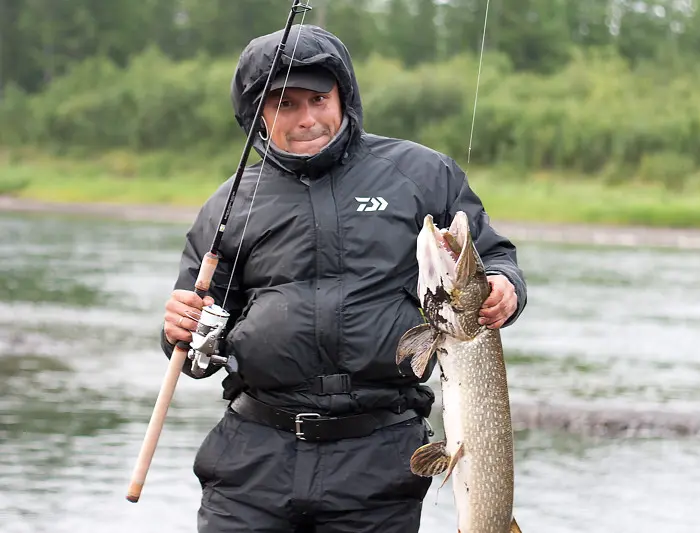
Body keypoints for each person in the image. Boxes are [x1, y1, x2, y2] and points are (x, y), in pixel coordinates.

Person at [159, 23, 528, 533]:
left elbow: (493, 256)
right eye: (286, 104)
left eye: (318, 98)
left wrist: (507, 286)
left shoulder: (420, 175)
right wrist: (179, 328)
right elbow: (199, 348)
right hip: (252, 462)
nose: (307, 118)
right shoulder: (229, 204)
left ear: (343, 97)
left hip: (378, 460)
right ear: (258, 114)